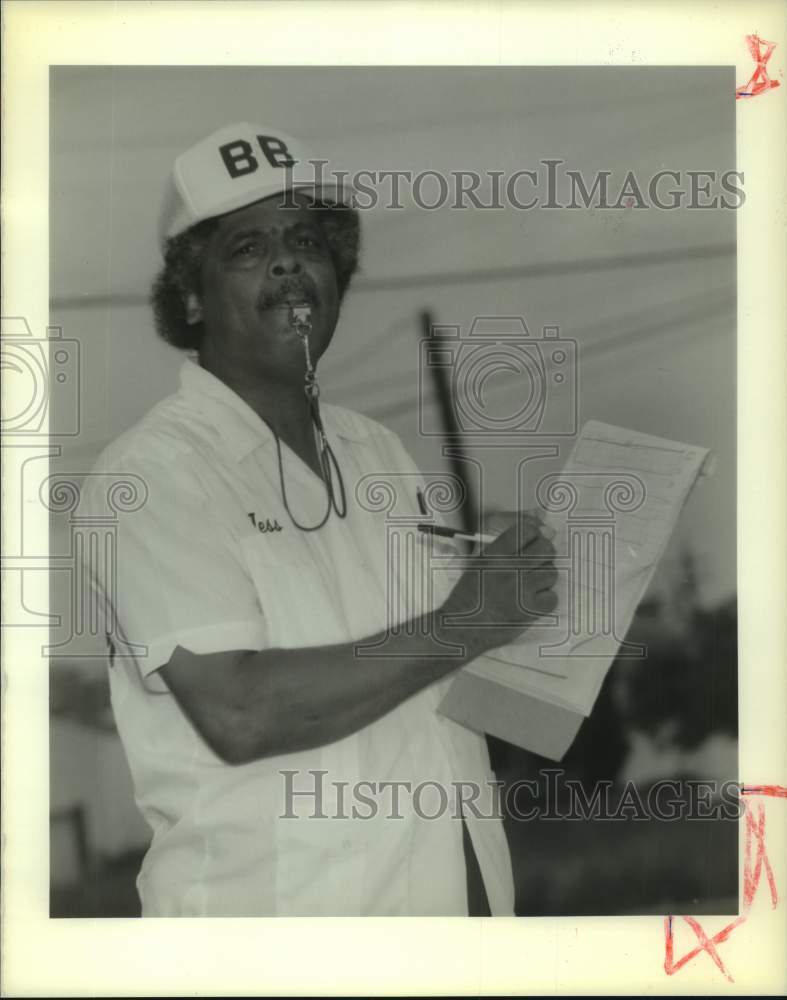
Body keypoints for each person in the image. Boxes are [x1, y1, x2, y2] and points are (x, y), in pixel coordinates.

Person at [82, 122, 557, 917]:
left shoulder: (378, 454)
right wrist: (469, 620)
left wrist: (547, 598)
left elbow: (453, 680)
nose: (286, 263)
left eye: (307, 238)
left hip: (454, 920)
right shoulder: (150, 476)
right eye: (245, 247)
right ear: (190, 296)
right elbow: (241, 711)